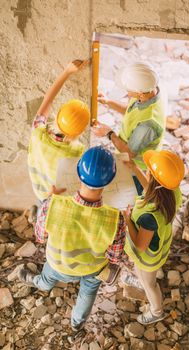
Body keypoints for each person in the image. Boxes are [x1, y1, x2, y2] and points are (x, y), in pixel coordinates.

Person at [19, 146, 126, 331]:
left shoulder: (53, 204)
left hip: (57, 264)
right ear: (110, 180)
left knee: (46, 279)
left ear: (78, 174)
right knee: (87, 295)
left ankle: (37, 283)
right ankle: (77, 324)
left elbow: (40, 237)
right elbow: (115, 258)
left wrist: (48, 199)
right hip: (92, 270)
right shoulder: (116, 219)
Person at [122, 150, 184, 325]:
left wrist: (127, 220)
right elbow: (151, 185)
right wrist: (134, 168)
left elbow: (140, 246)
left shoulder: (150, 216)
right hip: (158, 249)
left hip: (149, 258)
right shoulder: (171, 191)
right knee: (141, 273)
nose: (147, 170)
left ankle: (157, 311)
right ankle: (141, 280)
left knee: (150, 284)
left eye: (149, 170)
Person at [28, 60, 90, 223]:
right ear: (81, 132)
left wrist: (67, 71)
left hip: (39, 191)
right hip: (58, 201)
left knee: (42, 206)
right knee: (50, 222)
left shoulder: (38, 132)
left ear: (58, 114)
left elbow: (47, 101)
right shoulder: (76, 152)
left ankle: (38, 214)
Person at [92, 62, 166, 194]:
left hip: (136, 167)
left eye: (128, 90)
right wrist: (109, 102)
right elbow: (131, 110)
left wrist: (109, 133)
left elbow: (129, 153)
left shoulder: (148, 124)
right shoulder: (151, 92)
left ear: (141, 94)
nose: (127, 92)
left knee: (124, 194)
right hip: (130, 150)